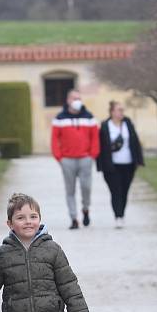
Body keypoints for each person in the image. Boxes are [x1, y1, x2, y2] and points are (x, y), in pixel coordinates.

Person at [51, 89, 100, 229]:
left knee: (86, 187)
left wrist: (93, 155)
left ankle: (85, 209)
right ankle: (73, 218)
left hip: (85, 158)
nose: (76, 101)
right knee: (70, 190)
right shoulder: (60, 118)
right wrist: (59, 157)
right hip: (67, 160)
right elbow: (54, 139)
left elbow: (95, 137)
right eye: (74, 98)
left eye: (79, 98)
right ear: (68, 100)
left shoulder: (89, 117)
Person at [96, 100, 145, 228]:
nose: (121, 112)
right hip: (112, 165)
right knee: (115, 190)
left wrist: (139, 160)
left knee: (124, 190)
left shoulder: (128, 123)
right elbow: (100, 146)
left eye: (122, 110)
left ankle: (121, 214)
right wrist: (100, 164)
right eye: (118, 110)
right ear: (112, 112)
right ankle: (118, 216)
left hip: (128, 163)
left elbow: (135, 141)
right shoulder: (105, 126)